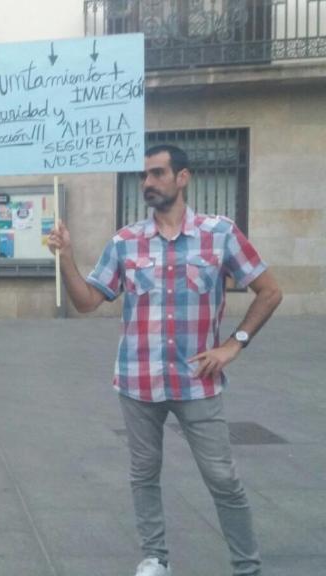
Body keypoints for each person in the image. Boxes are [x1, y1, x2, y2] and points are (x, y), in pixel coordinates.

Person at [47, 145, 282, 576]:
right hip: (138, 381)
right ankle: (155, 558)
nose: (148, 184)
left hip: (198, 380)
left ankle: (247, 566)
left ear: (183, 178)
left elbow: (270, 290)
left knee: (224, 479)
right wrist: (65, 257)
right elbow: (85, 302)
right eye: (144, 176)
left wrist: (234, 344)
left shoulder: (220, 233)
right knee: (143, 473)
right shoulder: (125, 242)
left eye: (157, 174)